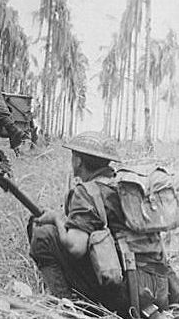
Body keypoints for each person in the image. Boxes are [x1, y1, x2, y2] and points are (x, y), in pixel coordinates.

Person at [29, 131, 179, 318]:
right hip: (156, 293)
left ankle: (68, 309)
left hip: (126, 297)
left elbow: (75, 247)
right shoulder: (126, 188)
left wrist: (57, 219)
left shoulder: (87, 192)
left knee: (44, 235)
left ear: (78, 161)